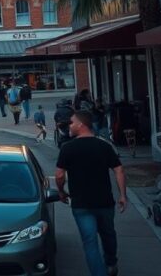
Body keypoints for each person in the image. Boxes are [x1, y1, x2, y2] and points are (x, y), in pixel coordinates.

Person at [55, 111, 127, 276]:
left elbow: (59, 175)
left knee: (90, 242)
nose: (69, 126)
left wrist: (61, 191)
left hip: (81, 204)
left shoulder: (68, 148)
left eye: (71, 123)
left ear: (81, 125)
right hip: (105, 201)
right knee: (108, 234)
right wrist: (123, 195)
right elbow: (119, 170)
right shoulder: (104, 146)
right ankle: (111, 262)